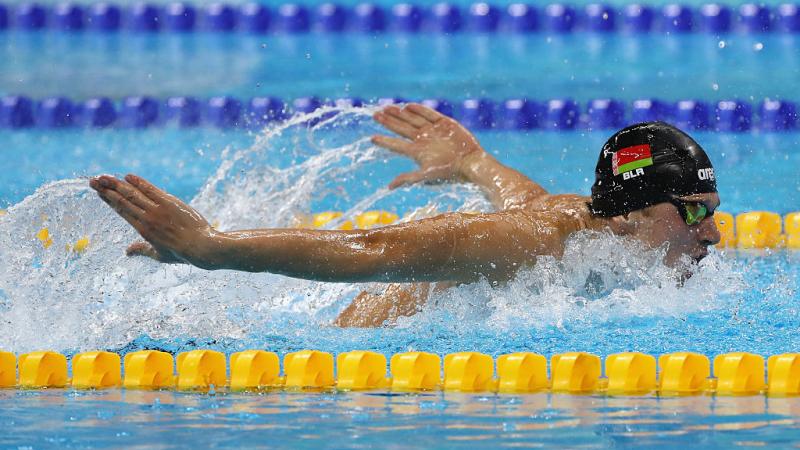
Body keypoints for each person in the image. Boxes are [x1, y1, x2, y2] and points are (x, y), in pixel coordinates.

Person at [89, 103, 721, 327]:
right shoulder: (534, 241)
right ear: (630, 215)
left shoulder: (587, 229)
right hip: (356, 347)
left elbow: (530, 201)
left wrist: (475, 162)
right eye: (693, 210)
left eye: (713, 211)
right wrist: (212, 245)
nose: (712, 232)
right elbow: (371, 250)